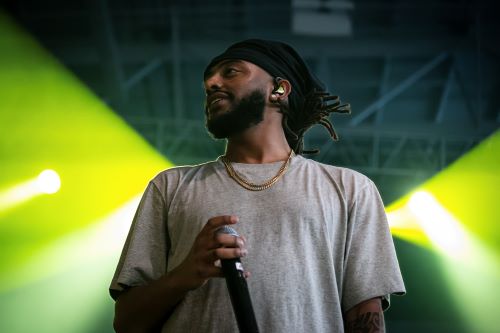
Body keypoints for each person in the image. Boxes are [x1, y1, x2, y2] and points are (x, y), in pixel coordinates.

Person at [109, 39, 406, 333]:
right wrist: (185, 274)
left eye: (230, 72)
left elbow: (365, 316)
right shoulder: (170, 187)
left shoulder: (351, 189)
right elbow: (126, 323)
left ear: (278, 90)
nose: (211, 82)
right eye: (208, 78)